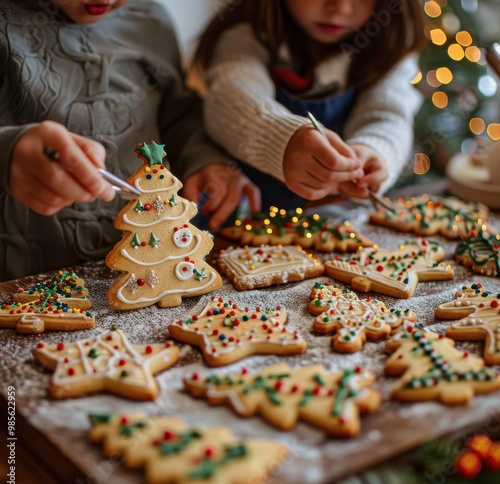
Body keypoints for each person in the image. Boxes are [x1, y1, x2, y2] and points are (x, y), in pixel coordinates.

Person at [0, 0, 260, 281]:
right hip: (24, 274)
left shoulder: (150, 20)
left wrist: (203, 158)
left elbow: (176, 114)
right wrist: (8, 151)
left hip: (153, 271)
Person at [189, 0, 426, 211]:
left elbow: (388, 115)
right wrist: (281, 141)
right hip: (242, 212)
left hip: (329, 216)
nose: (340, 7)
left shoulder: (388, 44)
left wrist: (374, 151)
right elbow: (231, 97)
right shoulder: (246, 36)